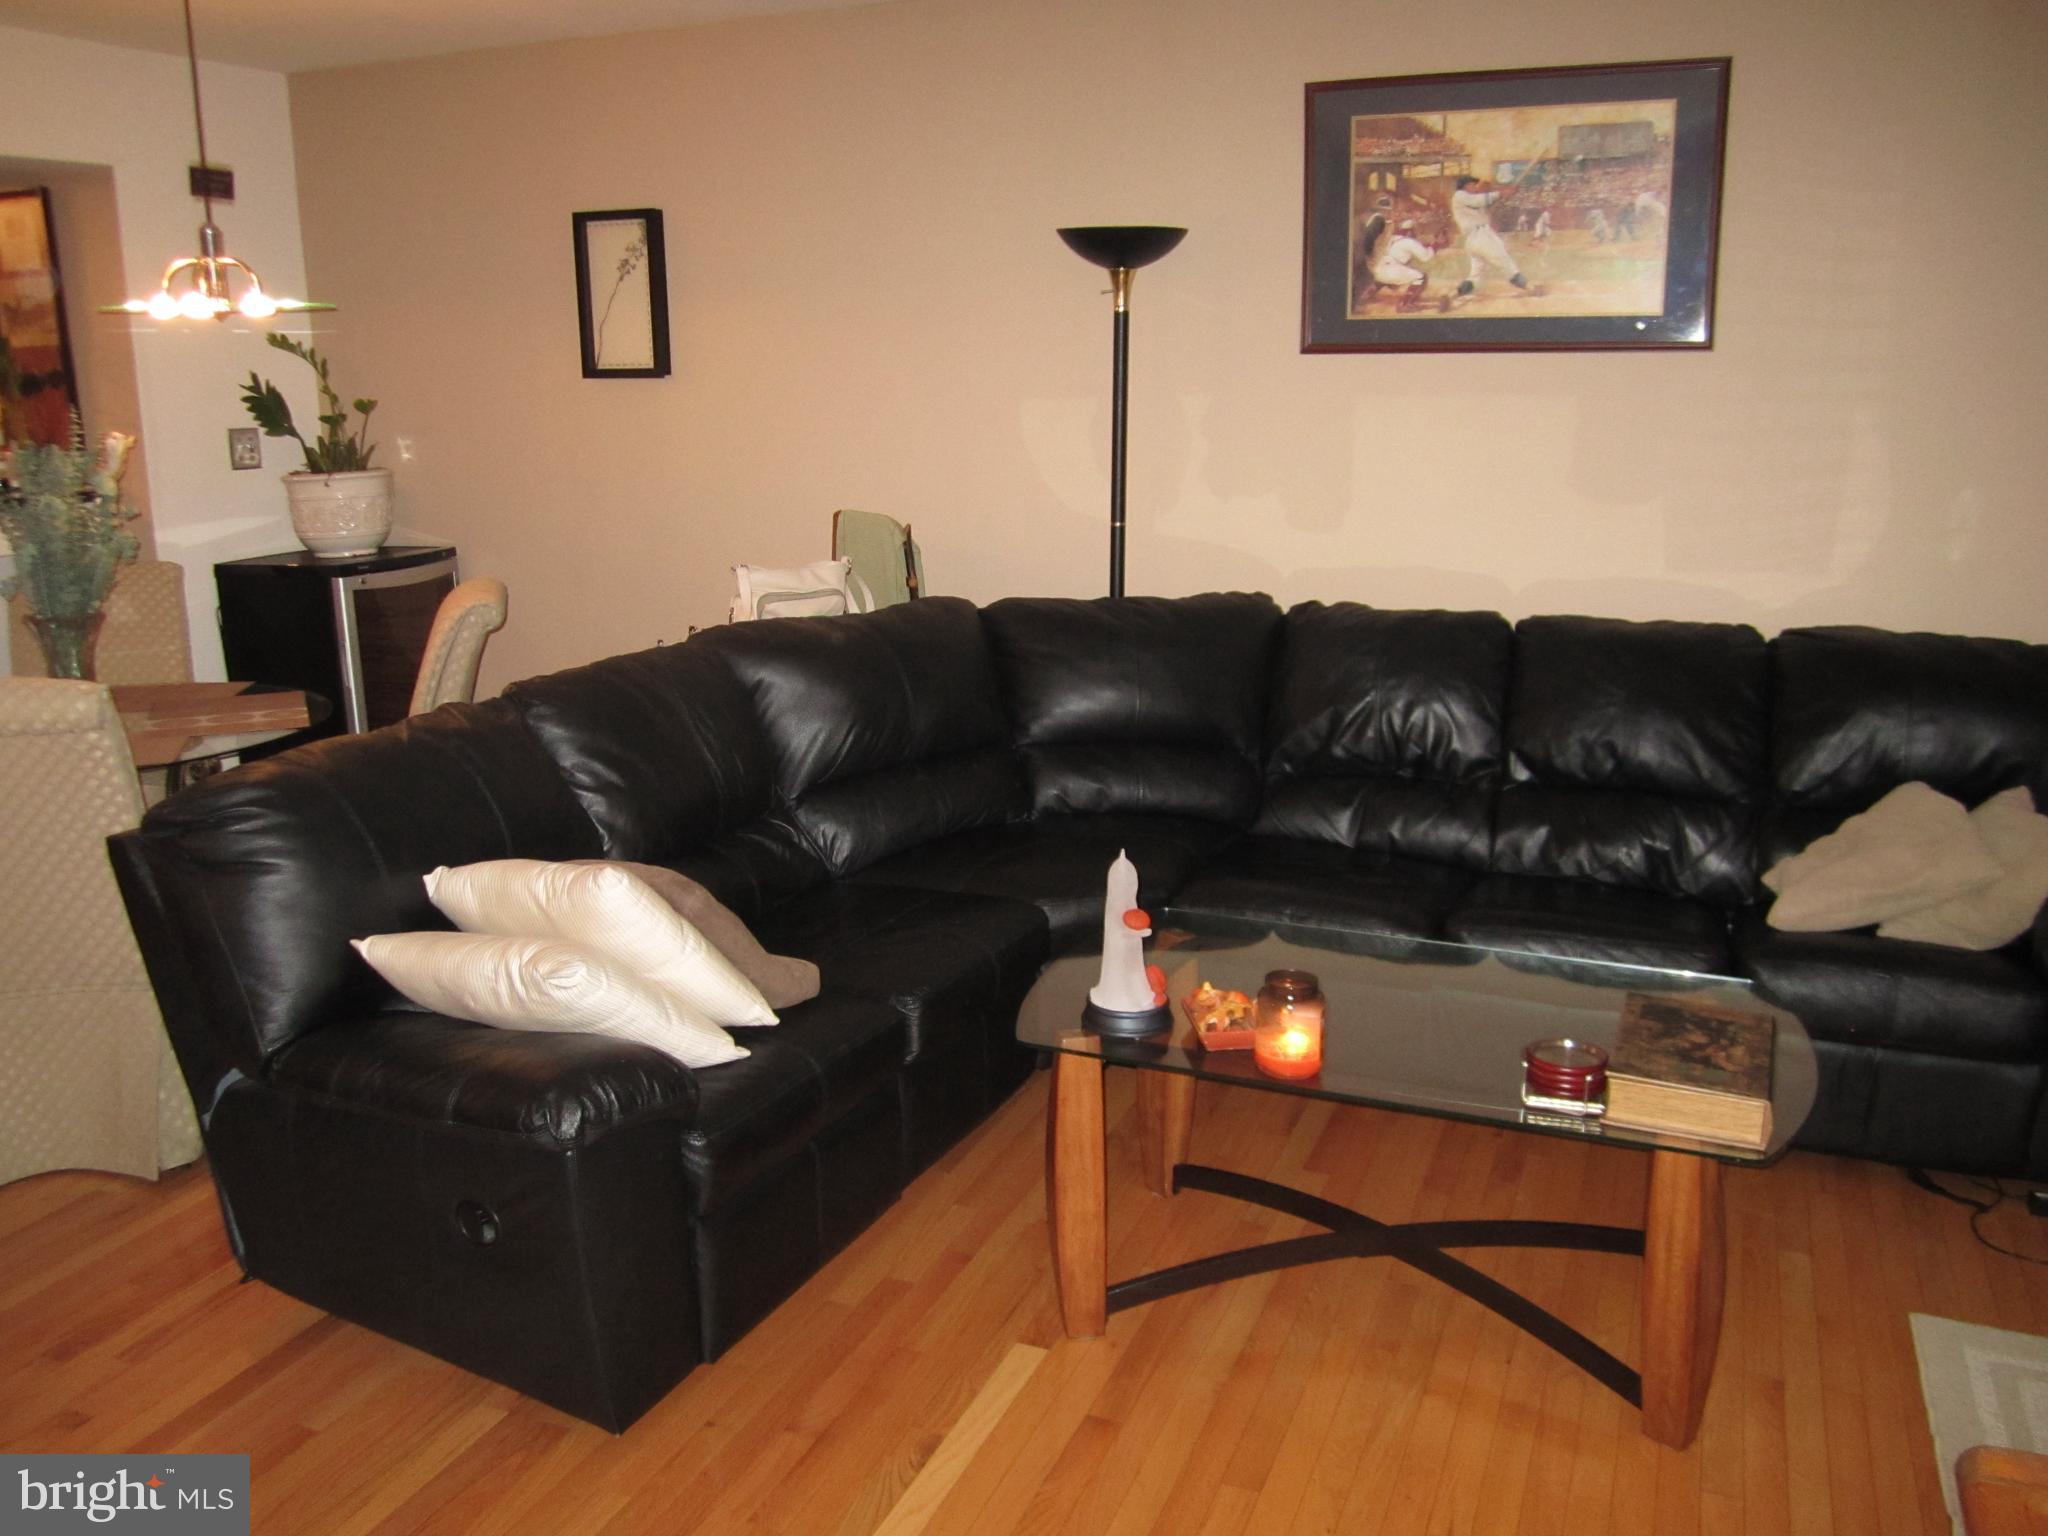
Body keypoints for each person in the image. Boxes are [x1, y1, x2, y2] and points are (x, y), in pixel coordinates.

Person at [1448, 175, 1534, 299]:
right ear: (1466, 185)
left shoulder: (1469, 200)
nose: (1475, 187)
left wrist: (1504, 193)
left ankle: (1452, 295)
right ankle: (1530, 286)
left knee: (1476, 276)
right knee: (1505, 262)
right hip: (1480, 236)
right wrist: (1500, 193)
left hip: (1474, 239)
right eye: (1473, 185)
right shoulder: (1460, 195)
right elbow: (1479, 200)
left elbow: (1483, 201)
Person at [1370, 219, 1435, 309]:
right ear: (1409, 231)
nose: (1415, 233)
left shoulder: (1390, 238)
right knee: (1421, 277)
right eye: (1413, 231)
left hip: (1376, 272)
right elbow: (1426, 257)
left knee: (1384, 273)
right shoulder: (1409, 241)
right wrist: (1434, 246)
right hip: (1392, 272)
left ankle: (1367, 295)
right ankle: (1405, 304)